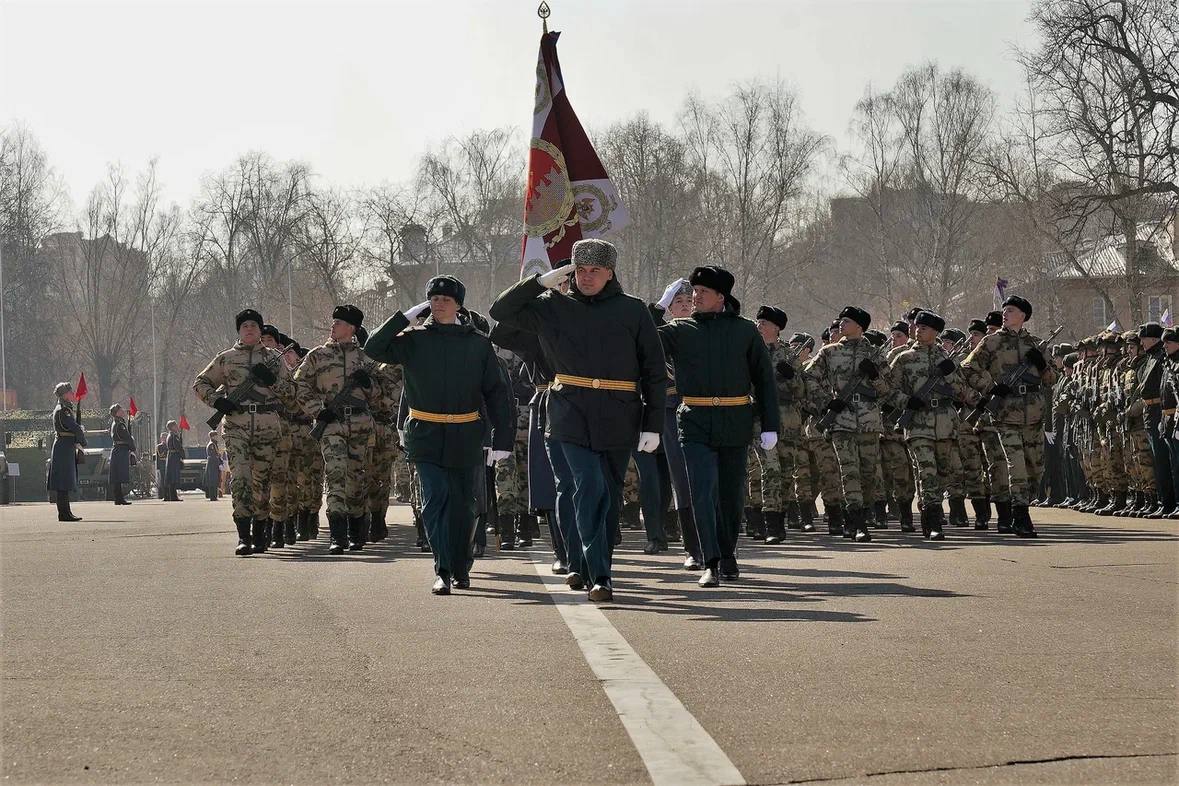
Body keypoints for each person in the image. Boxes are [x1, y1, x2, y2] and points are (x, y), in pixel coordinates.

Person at [490, 239, 666, 602]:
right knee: (588, 485)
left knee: (609, 495)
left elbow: (653, 370)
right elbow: (500, 311)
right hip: (568, 411)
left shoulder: (632, 311)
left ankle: (583, 564)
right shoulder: (552, 307)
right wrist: (539, 282)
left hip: (619, 413)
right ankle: (600, 575)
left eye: (595, 271)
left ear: (610, 273)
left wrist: (653, 424)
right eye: (580, 270)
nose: (587, 278)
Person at [365, 275, 513, 594]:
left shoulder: (477, 343)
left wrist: (502, 439)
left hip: (465, 433)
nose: (439, 303)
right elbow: (373, 347)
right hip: (426, 433)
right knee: (435, 500)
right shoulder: (413, 339)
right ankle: (442, 569)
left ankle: (461, 567)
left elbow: (496, 393)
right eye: (434, 298)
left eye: (446, 298)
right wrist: (404, 316)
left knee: (464, 505)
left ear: (458, 304)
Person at [656, 267, 777, 587]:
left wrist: (770, 424)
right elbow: (642, 339)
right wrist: (659, 306)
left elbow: (765, 380)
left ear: (721, 297)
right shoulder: (680, 329)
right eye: (693, 291)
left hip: (735, 421)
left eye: (703, 292)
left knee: (730, 495)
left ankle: (728, 554)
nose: (695, 297)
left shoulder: (745, 331)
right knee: (701, 490)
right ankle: (709, 560)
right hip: (694, 420)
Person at [193, 308, 297, 557]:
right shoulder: (226, 358)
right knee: (241, 479)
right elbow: (200, 383)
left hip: (267, 426)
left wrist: (272, 381)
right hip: (236, 425)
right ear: (239, 331)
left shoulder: (273, 358)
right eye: (244, 326)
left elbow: (293, 393)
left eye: (253, 325)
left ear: (260, 330)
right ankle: (243, 535)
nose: (249, 329)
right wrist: (218, 402)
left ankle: (260, 533)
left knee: (262, 483)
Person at [959, 295, 1058, 537]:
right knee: (1016, 466)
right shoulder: (992, 342)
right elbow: (968, 368)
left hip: (1033, 413)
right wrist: (991, 387)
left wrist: (1042, 365)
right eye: (1004, 310)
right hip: (1005, 413)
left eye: (1011, 310)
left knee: (1035, 468)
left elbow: (1052, 379)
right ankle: (1020, 515)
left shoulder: (1035, 345)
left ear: (1023, 316)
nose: (1005, 314)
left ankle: (1023, 504)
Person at [293, 305, 381, 555]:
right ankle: (338, 535)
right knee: (335, 475)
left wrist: (369, 385)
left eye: (339, 322)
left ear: (352, 328)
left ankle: (356, 532)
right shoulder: (317, 356)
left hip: (361, 423)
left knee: (358, 478)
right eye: (333, 322)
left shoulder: (366, 358)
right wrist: (317, 409)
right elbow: (299, 384)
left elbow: (380, 396)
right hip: (331, 424)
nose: (333, 326)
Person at [803, 306, 894, 542]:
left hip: (869, 421)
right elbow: (809, 377)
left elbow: (888, 392)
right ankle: (857, 523)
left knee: (868, 472)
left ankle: (860, 515)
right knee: (849, 471)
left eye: (847, 321)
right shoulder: (829, 352)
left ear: (860, 327)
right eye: (841, 320)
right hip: (841, 420)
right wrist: (827, 402)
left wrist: (874, 376)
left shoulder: (875, 355)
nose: (841, 324)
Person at [888, 311, 975, 540]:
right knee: (927, 472)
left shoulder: (948, 359)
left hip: (945, 422)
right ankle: (934, 522)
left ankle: (928, 509)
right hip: (918, 423)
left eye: (924, 328)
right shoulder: (904, 358)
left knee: (943, 472)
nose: (918, 330)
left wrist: (951, 374)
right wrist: (906, 401)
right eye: (917, 327)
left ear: (935, 332)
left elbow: (961, 390)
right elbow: (888, 389)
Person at [48, 382, 87, 522]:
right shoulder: (63, 410)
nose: (72, 394)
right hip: (64, 447)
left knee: (64, 483)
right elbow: (73, 427)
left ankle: (66, 512)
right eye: (70, 392)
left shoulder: (64, 408)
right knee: (62, 483)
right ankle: (63, 513)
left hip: (65, 446)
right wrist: (82, 440)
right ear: (64, 394)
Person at [108, 404, 135, 506]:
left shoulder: (117, 422)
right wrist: (133, 448)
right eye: (120, 409)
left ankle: (118, 498)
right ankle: (119, 498)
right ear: (117, 412)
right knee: (118, 475)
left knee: (117, 476)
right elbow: (127, 438)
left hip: (118, 450)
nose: (123, 411)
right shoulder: (120, 424)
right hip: (120, 450)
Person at [162, 420, 183, 502]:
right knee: (173, 477)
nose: (177, 427)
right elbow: (178, 447)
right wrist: (182, 454)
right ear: (172, 427)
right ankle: (173, 496)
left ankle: (172, 496)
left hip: (172, 457)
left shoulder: (172, 435)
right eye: (175, 425)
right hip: (174, 457)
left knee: (172, 477)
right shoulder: (173, 436)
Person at [205, 431, 221, 501]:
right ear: (212, 436)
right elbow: (214, 455)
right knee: (212, 480)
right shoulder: (212, 444)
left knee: (214, 480)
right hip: (212, 463)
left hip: (214, 463)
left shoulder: (214, 444)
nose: (217, 437)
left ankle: (214, 495)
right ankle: (212, 496)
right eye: (215, 436)